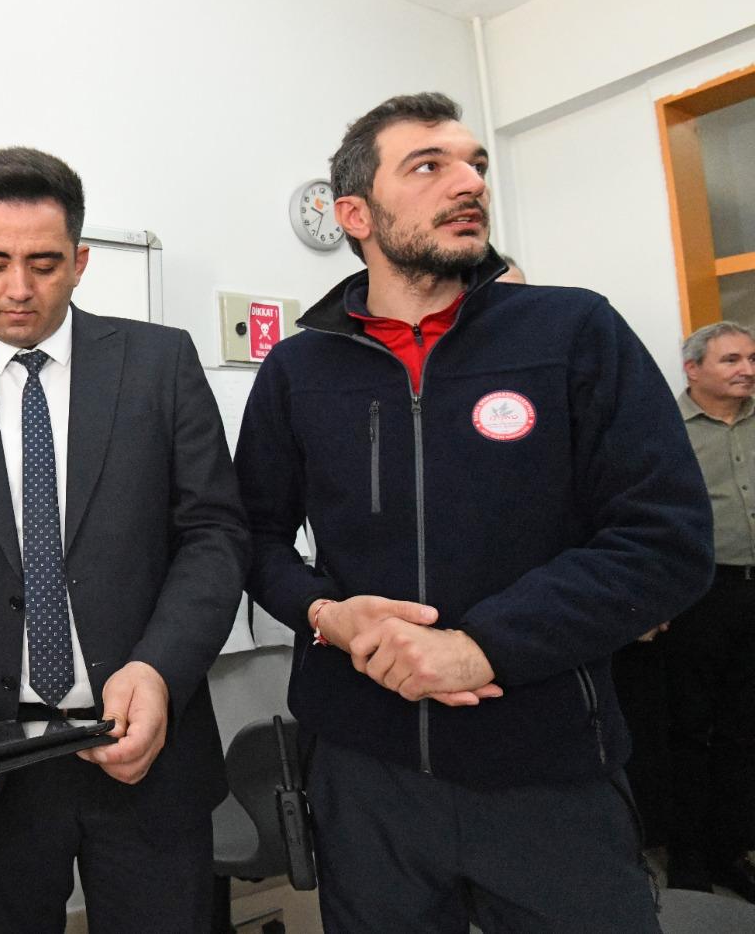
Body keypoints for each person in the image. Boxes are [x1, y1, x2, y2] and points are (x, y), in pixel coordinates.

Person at [234, 91, 714, 932]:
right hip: (364, 771)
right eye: (429, 166)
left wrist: (480, 647)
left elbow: (664, 539)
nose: (470, 184)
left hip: (548, 765)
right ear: (355, 215)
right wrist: (323, 613)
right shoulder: (298, 370)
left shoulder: (574, 330)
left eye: (476, 164)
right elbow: (254, 537)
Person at [0, 146, 250, 932]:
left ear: (79, 261)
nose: (19, 288)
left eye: (44, 263)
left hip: (144, 743)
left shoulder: (159, 364)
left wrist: (158, 668)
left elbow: (214, 535)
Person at [667, 320, 755, 900]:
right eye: (731, 360)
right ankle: (689, 857)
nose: (747, 369)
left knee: (744, 729)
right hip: (701, 595)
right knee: (689, 729)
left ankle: (733, 850)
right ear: (693, 369)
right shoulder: (666, 430)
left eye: (751, 358)